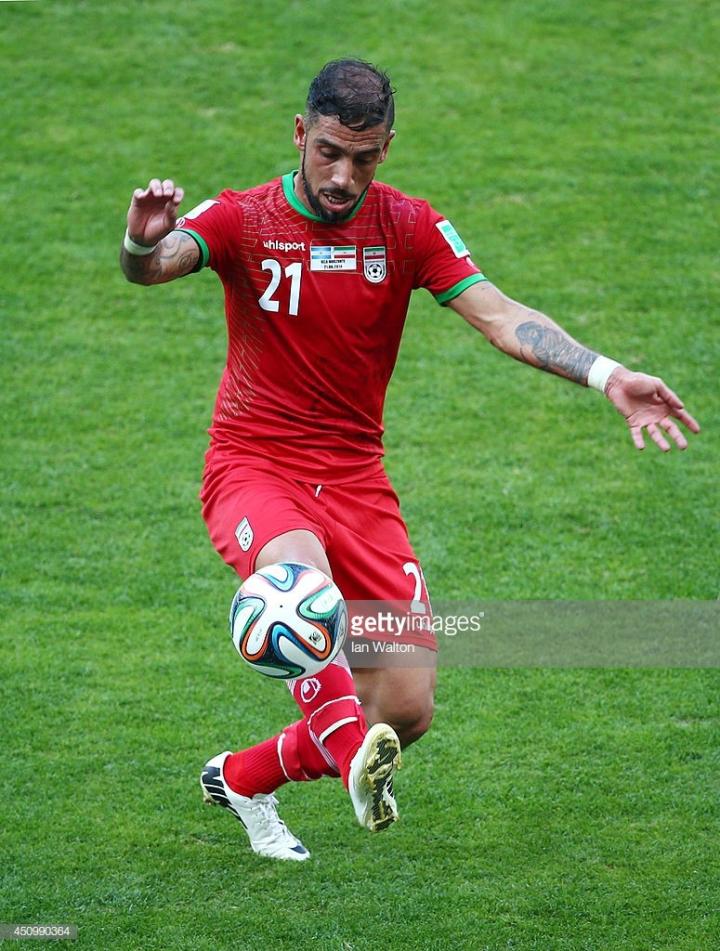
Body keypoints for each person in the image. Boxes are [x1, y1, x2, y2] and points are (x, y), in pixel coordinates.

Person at [120, 59, 700, 862]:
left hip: (356, 478)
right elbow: (155, 265)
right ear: (300, 133)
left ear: (386, 147)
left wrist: (608, 375)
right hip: (256, 464)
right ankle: (348, 759)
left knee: (406, 708)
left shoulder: (407, 226)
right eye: (328, 152)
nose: (341, 176)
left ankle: (243, 778)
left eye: (362, 158)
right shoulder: (244, 218)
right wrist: (140, 241)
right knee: (300, 592)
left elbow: (501, 316)